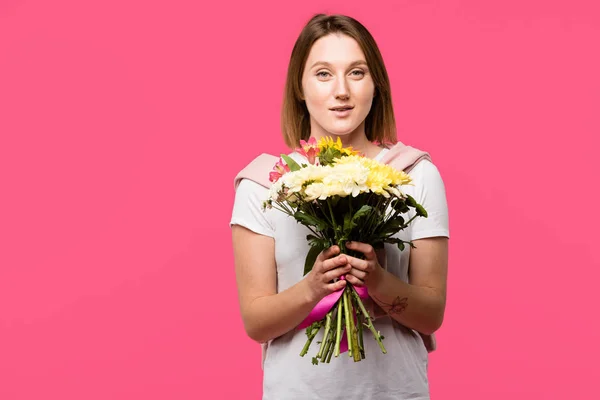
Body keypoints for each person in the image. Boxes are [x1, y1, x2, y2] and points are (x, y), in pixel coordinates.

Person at [229, 13, 449, 400]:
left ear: (376, 83)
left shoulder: (415, 174)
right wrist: (313, 288)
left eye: (357, 72)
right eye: (323, 73)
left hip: (395, 390)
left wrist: (378, 282)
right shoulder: (263, 184)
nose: (342, 91)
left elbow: (431, 314)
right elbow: (256, 322)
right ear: (300, 87)